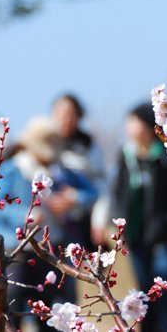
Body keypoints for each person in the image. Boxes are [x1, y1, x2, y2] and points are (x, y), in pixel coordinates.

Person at [0, 117, 98, 332]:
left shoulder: (61, 172)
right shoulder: (13, 170)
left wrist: (72, 199)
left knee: (49, 308)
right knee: (12, 304)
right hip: (18, 249)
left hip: (52, 249)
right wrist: (25, 218)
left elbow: (92, 192)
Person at [110, 103, 167, 332]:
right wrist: (118, 225)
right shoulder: (126, 155)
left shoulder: (166, 155)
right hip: (136, 234)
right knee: (142, 290)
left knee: (163, 285)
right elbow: (119, 192)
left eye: (134, 122)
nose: (129, 128)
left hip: (164, 235)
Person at [52, 93, 107, 249]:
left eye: (71, 114)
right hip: (48, 221)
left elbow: (100, 187)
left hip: (80, 220)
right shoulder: (43, 140)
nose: (65, 119)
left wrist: (98, 222)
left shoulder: (88, 147)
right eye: (60, 113)